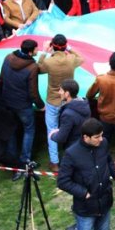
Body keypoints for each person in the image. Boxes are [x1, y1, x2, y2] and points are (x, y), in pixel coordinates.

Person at [58, 118, 115, 230]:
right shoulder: (71, 153)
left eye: (101, 135)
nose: (101, 139)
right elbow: (63, 181)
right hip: (86, 208)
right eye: (97, 137)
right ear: (86, 137)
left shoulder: (104, 143)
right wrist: (84, 193)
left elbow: (108, 161)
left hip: (105, 203)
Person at [38, 34, 84, 172]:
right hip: (68, 100)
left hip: (53, 100)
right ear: (65, 46)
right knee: (70, 128)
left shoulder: (49, 62)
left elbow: (38, 68)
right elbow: (81, 59)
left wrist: (44, 52)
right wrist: (69, 48)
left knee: (51, 130)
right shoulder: (71, 59)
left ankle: (54, 162)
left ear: (52, 46)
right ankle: (72, 157)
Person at [0, 39, 44, 173]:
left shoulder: (8, 58)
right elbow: (33, 91)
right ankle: (25, 159)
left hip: (7, 102)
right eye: (36, 49)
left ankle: (13, 160)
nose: (37, 51)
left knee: (12, 131)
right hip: (23, 105)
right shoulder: (32, 67)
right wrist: (40, 105)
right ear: (31, 52)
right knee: (29, 130)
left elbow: (1, 79)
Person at [49, 79, 91, 151]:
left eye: (61, 90)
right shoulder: (84, 104)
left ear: (67, 93)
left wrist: (52, 135)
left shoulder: (68, 114)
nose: (59, 92)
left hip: (72, 148)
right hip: (83, 144)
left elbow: (61, 138)